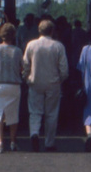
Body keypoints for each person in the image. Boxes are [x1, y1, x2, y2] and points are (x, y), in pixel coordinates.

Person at [22, 18, 70, 151]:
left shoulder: (31, 45)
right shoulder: (58, 46)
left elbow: (25, 64)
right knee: (51, 113)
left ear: (39, 30)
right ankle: (49, 143)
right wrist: (60, 79)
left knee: (35, 111)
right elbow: (64, 68)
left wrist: (27, 77)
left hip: (35, 82)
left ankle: (34, 133)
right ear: (52, 31)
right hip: (53, 83)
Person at [0, 23, 25, 152]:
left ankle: (0, 142)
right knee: (13, 114)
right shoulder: (18, 51)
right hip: (13, 84)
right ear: (13, 35)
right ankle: (13, 141)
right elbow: (22, 68)